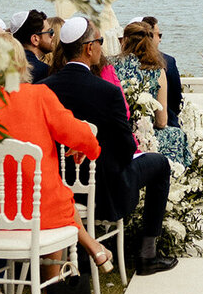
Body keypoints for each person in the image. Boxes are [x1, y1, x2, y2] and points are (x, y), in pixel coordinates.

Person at [0, 34, 112, 294]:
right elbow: (78, 133)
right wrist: (87, 147)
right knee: (58, 202)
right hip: (39, 214)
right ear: (19, 63)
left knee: (53, 198)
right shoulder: (38, 96)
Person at [44, 16, 179, 275]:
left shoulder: (44, 88)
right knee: (160, 164)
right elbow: (126, 148)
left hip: (57, 187)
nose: (101, 47)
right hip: (107, 192)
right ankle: (148, 254)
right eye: (100, 41)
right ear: (88, 48)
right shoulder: (107, 92)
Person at [113, 22, 191, 167]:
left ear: (124, 41)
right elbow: (161, 121)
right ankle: (172, 180)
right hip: (144, 134)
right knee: (177, 136)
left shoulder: (111, 65)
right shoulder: (157, 70)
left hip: (116, 134)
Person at [142, 15, 183, 127]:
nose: (160, 39)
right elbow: (176, 99)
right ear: (150, 36)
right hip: (165, 123)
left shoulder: (123, 63)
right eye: (158, 35)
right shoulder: (167, 62)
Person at [9, 9, 54, 83]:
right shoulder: (44, 71)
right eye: (50, 32)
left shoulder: (7, 65)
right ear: (35, 39)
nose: (53, 36)